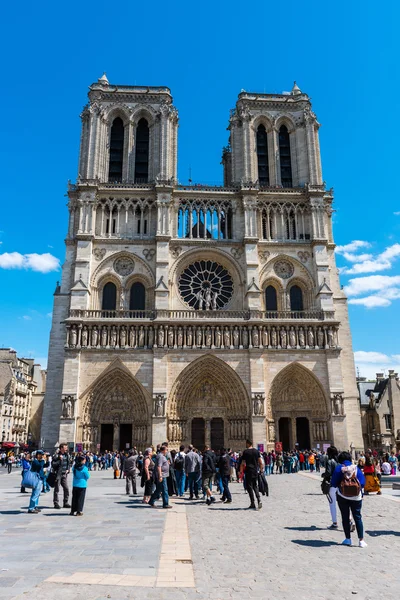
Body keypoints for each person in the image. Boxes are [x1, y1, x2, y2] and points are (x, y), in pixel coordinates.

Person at [331, 451, 367, 548]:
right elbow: (363, 483)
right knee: (358, 517)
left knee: (345, 517)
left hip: (342, 496)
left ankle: (348, 539)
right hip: (356, 497)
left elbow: (333, 483)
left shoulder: (339, 468)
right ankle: (361, 540)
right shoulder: (356, 468)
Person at [240, 440, 263, 510]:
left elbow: (243, 463)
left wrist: (241, 471)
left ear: (248, 444)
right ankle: (259, 499)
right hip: (255, 471)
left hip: (249, 471)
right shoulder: (256, 451)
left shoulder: (246, 452)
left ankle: (252, 502)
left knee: (249, 487)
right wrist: (261, 470)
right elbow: (260, 462)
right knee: (255, 485)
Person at [322, 446, 339, 529]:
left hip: (332, 484)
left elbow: (328, 472)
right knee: (344, 504)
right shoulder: (339, 461)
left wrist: (323, 475)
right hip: (341, 485)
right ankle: (350, 521)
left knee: (332, 504)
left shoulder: (329, 461)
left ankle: (335, 523)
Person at [52, 443, 71, 509]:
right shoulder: (56, 455)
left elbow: (69, 464)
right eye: (65, 447)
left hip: (64, 474)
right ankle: (56, 503)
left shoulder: (67, 455)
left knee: (66, 489)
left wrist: (68, 469)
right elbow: (53, 464)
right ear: (61, 448)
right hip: (58, 474)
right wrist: (59, 459)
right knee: (57, 489)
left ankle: (65, 502)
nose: (66, 449)